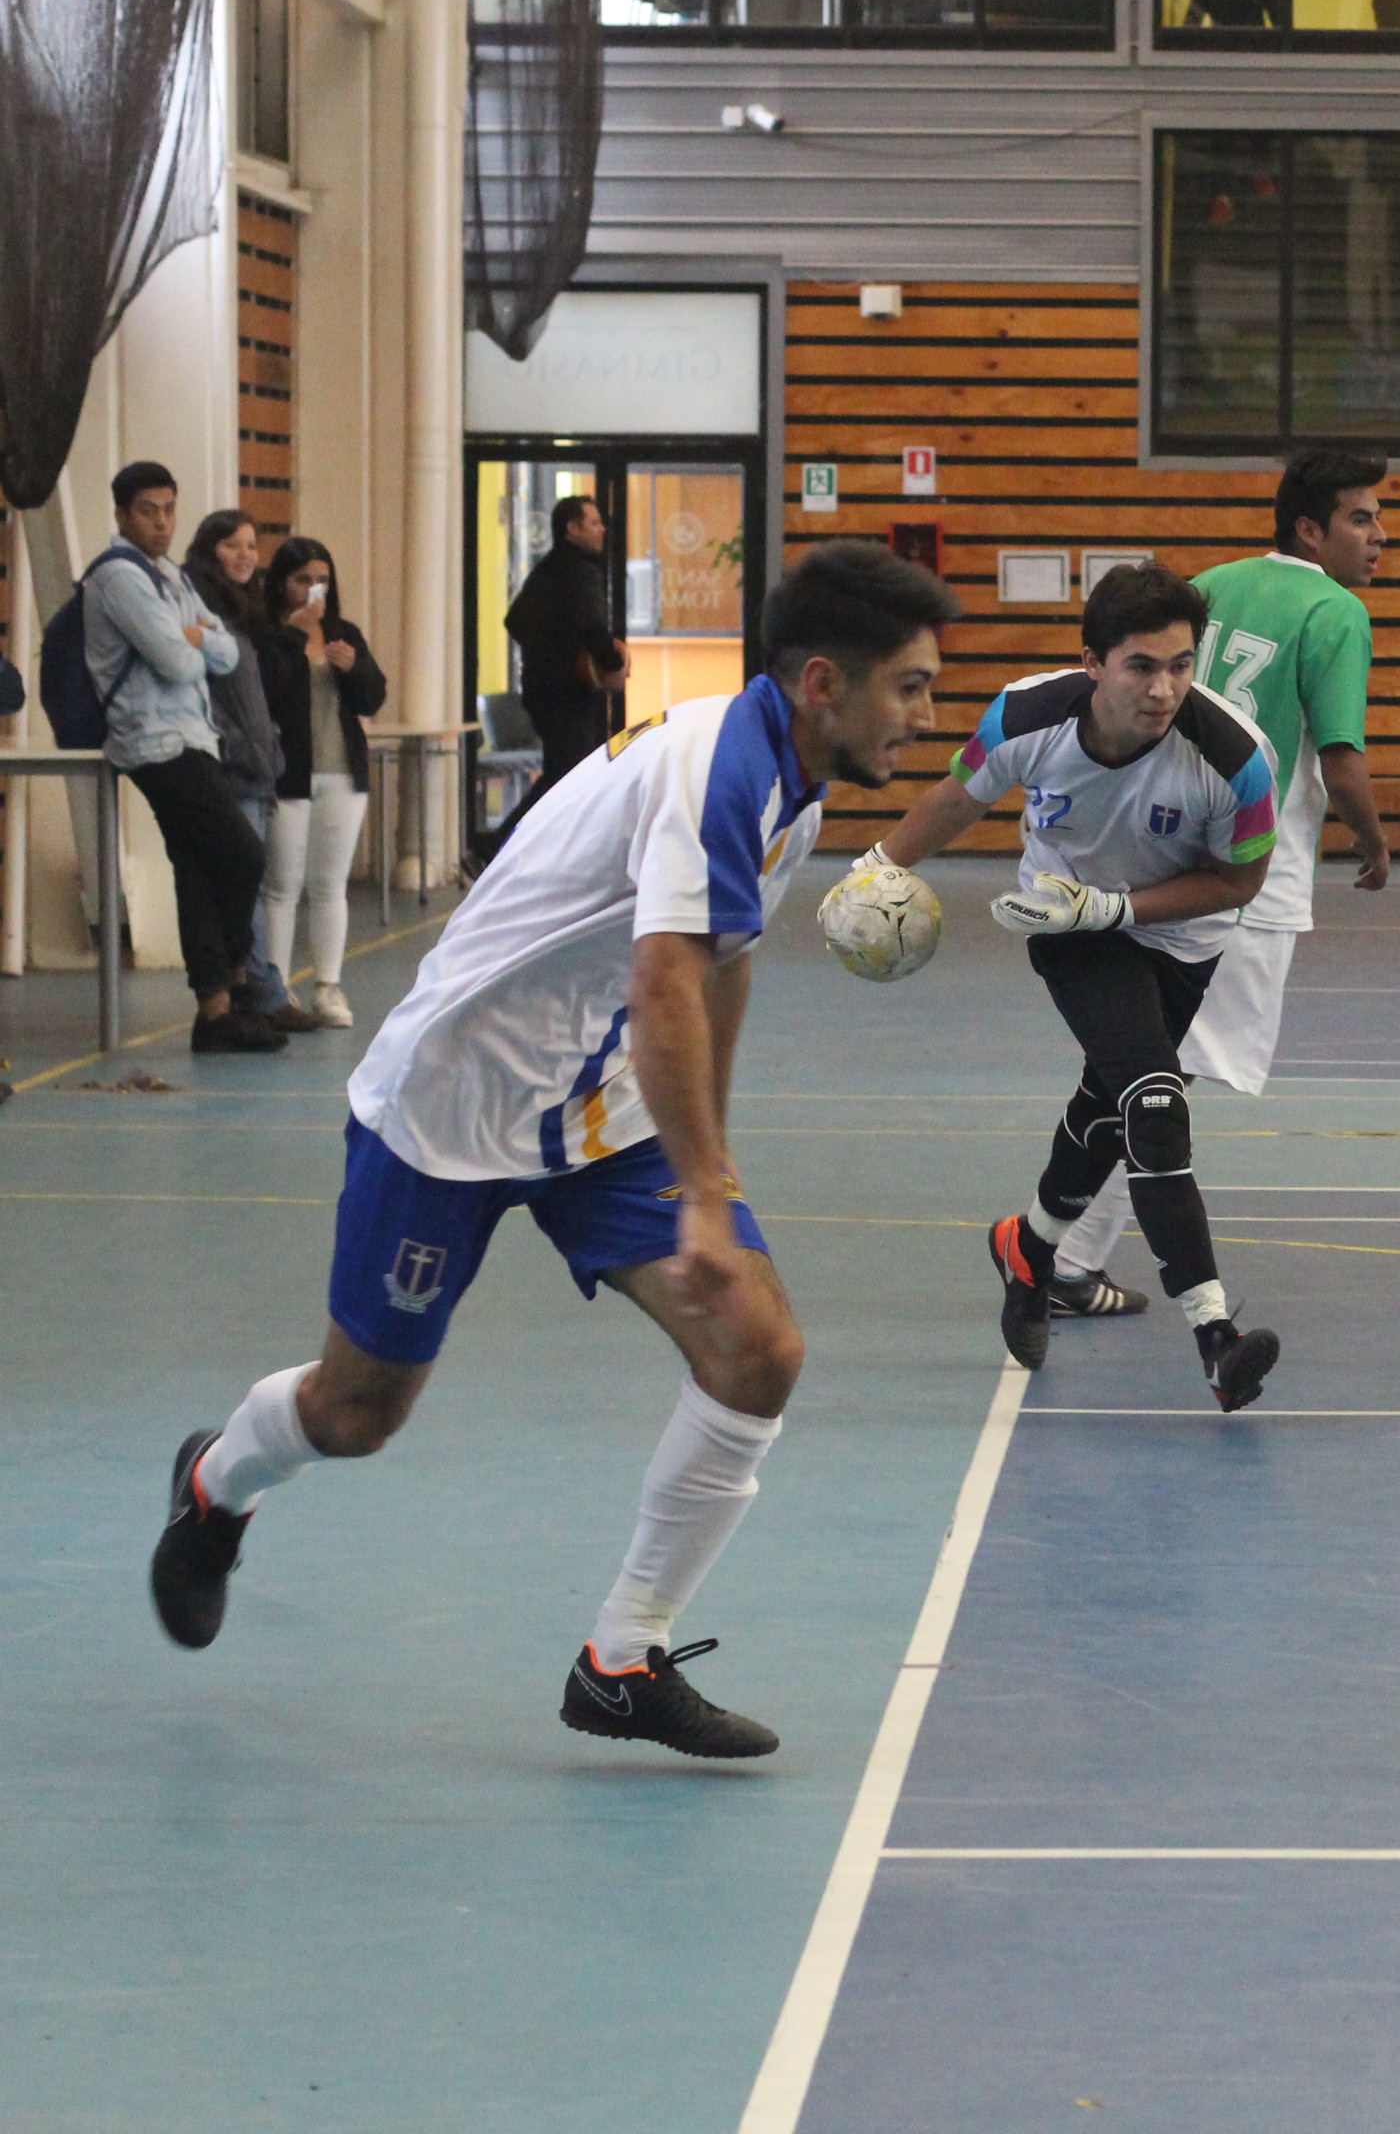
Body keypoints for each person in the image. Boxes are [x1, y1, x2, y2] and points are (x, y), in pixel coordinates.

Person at [147, 542, 960, 1758]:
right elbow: (666, 981)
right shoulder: (720, 769)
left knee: (757, 1349)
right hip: (454, 1105)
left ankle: (622, 1659)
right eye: (912, 687)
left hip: (601, 1108)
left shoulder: (792, 780)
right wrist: (705, 1197)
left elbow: (721, 968)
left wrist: (710, 1171)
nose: (927, 716)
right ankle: (218, 1484)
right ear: (823, 684)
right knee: (358, 1413)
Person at [859, 564, 1290, 1408]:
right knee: (1154, 1103)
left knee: (1109, 1105)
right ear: (1092, 663)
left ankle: (1028, 1247)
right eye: (1141, 666)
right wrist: (876, 866)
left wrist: (1117, 906)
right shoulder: (1026, 717)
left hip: (1181, 936)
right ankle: (1215, 1337)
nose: (1163, 689)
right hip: (1066, 926)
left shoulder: (1238, 760)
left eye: (1181, 665)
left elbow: (1239, 883)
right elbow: (956, 800)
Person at [1044, 450, 1395, 1320]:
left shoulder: (1210, 585)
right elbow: (1341, 757)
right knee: (1168, 1077)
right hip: (1248, 865)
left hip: (1163, 840)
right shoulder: (1336, 611)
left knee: (1140, 1064)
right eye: (1361, 518)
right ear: (1309, 528)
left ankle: (1057, 1245)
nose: (1379, 536)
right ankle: (1065, 1257)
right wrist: (1372, 837)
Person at [80, 463, 276, 1053]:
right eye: (148, 511)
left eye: (169, 509)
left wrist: (197, 638)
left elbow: (228, 652)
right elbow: (178, 661)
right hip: (154, 743)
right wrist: (193, 640)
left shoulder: (170, 575)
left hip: (194, 738)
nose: (162, 523)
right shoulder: (118, 576)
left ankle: (215, 1014)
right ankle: (234, 983)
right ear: (122, 514)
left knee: (198, 871)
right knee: (242, 854)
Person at [185, 509, 316, 1032]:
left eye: (251, 546)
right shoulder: (204, 610)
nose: (244, 555)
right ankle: (260, 991)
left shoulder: (248, 614)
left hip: (258, 764)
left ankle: (255, 988)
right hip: (231, 765)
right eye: (232, 545)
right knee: (243, 880)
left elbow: (266, 690)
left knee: (248, 881)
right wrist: (239, 748)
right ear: (210, 549)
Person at [250, 537, 388, 1028]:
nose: (313, 589)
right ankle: (276, 989)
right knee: (281, 885)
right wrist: (294, 636)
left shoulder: (343, 633)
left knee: (329, 885)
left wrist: (357, 669)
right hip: (287, 774)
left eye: (322, 580)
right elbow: (266, 693)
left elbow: (373, 698)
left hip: (341, 771)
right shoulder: (267, 634)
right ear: (281, 584)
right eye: (302, 580)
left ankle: (328, 986)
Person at [493, 492, 622, 842]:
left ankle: (520, 845)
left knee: (566, 771)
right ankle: (501, 844)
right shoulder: (582, 573)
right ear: (572, 529)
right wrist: (613, 662)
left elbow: (514, 621)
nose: (602, 530)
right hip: (570, 694)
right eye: (594, 523)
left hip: (541, 689)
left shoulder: (547, 569)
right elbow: (593, 627)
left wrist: (545, 651)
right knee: (568, 774)